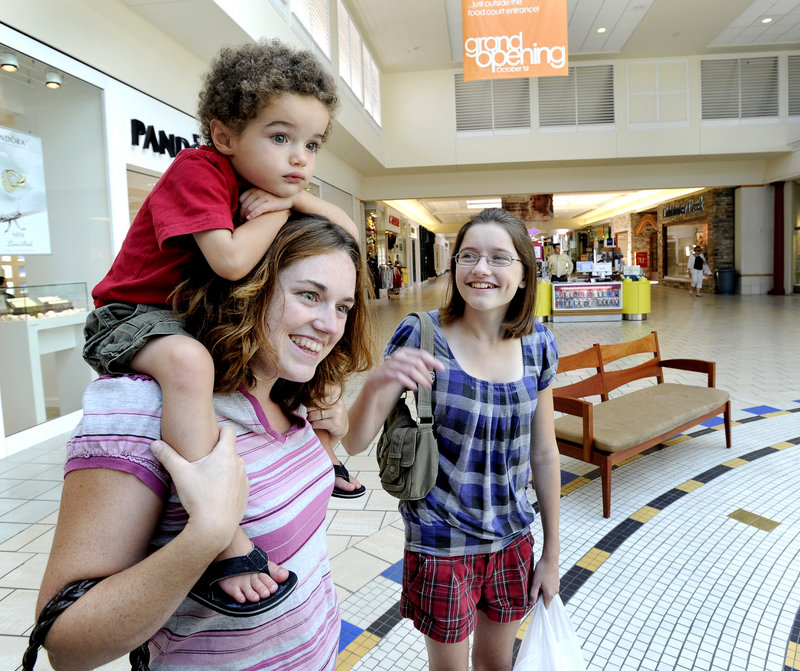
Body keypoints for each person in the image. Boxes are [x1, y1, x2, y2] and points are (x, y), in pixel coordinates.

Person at [84, 39, 364, 608]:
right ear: (225, 136)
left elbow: (346, 233)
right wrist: (287, 208)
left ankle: (314, 462)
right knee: (190, 363)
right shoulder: (197, 170)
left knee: (285, 350)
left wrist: (297, 205)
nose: (299, 160)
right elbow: (232, 261)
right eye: (280, 137)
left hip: (180, 313)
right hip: (127, 317)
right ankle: (222, 537)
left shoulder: (258, 188)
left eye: (312, 144)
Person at [32, 215, 374, 670]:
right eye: (309, 295)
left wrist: (329, 434)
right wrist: (209, 533)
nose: (330, 325)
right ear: (247, 287)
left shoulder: (286, 391)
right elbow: (66, 643)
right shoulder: (144, 404)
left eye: (342, 307)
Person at [343, 208, 562, 671]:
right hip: (440, 542)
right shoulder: (423, 335)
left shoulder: (538, 343)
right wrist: (378, 381)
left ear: (524, 276)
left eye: (500, 258)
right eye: (469, 256)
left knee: (496, 666)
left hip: (513, 538)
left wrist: (551, 555)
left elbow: (544, 453)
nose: (481, 269)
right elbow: (354, 441)